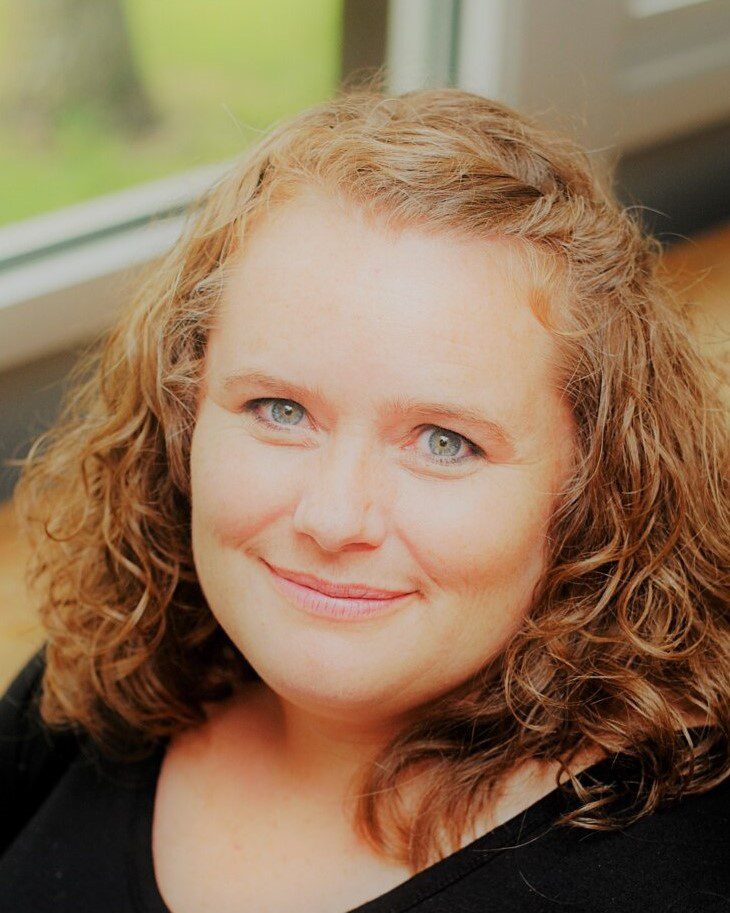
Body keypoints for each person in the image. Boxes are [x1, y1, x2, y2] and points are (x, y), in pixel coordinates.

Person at [1, 85, 728, 913]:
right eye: (280, 410)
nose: (334, 518)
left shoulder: (678, 877)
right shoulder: (91, 692)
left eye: (444, 442)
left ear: (594, 486)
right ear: (183, 415)